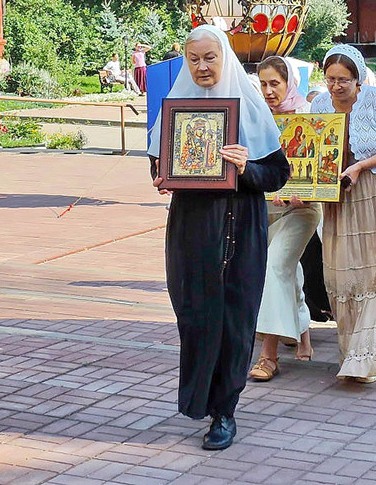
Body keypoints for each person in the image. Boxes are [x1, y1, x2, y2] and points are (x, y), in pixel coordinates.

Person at [148, 25, 290, 451]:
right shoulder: (176, 107)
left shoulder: (248, 108)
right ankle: (199, 399)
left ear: (225, 58)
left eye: (210, 58)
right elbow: (159, 162)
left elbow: (277, 174)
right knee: (195, 316)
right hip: (191, 231)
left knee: (233, 318)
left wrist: (247, 168)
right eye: (194, 59)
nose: (202, 67)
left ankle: (225, 411)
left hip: (239, 229)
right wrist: (161, 177)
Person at [310, 45, 376, 382]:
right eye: (330, 80)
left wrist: (360, 166)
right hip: (340, 197)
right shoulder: (319, 104)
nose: (336, 86)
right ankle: (351, 349)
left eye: (343, 80)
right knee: (344, 274)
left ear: (358, 80)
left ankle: (367, 357)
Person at [248, 56, 320, 382]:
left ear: (288, 82)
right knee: (287, 271)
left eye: (274, 83)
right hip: (264, 211)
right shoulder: (256, 118)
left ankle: (268, 357)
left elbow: (322, 172)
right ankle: (302, 329)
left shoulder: (311, 117)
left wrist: (304, 190)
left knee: (274, 266)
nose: (267, 91)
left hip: (301, 210)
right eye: (262, 84)